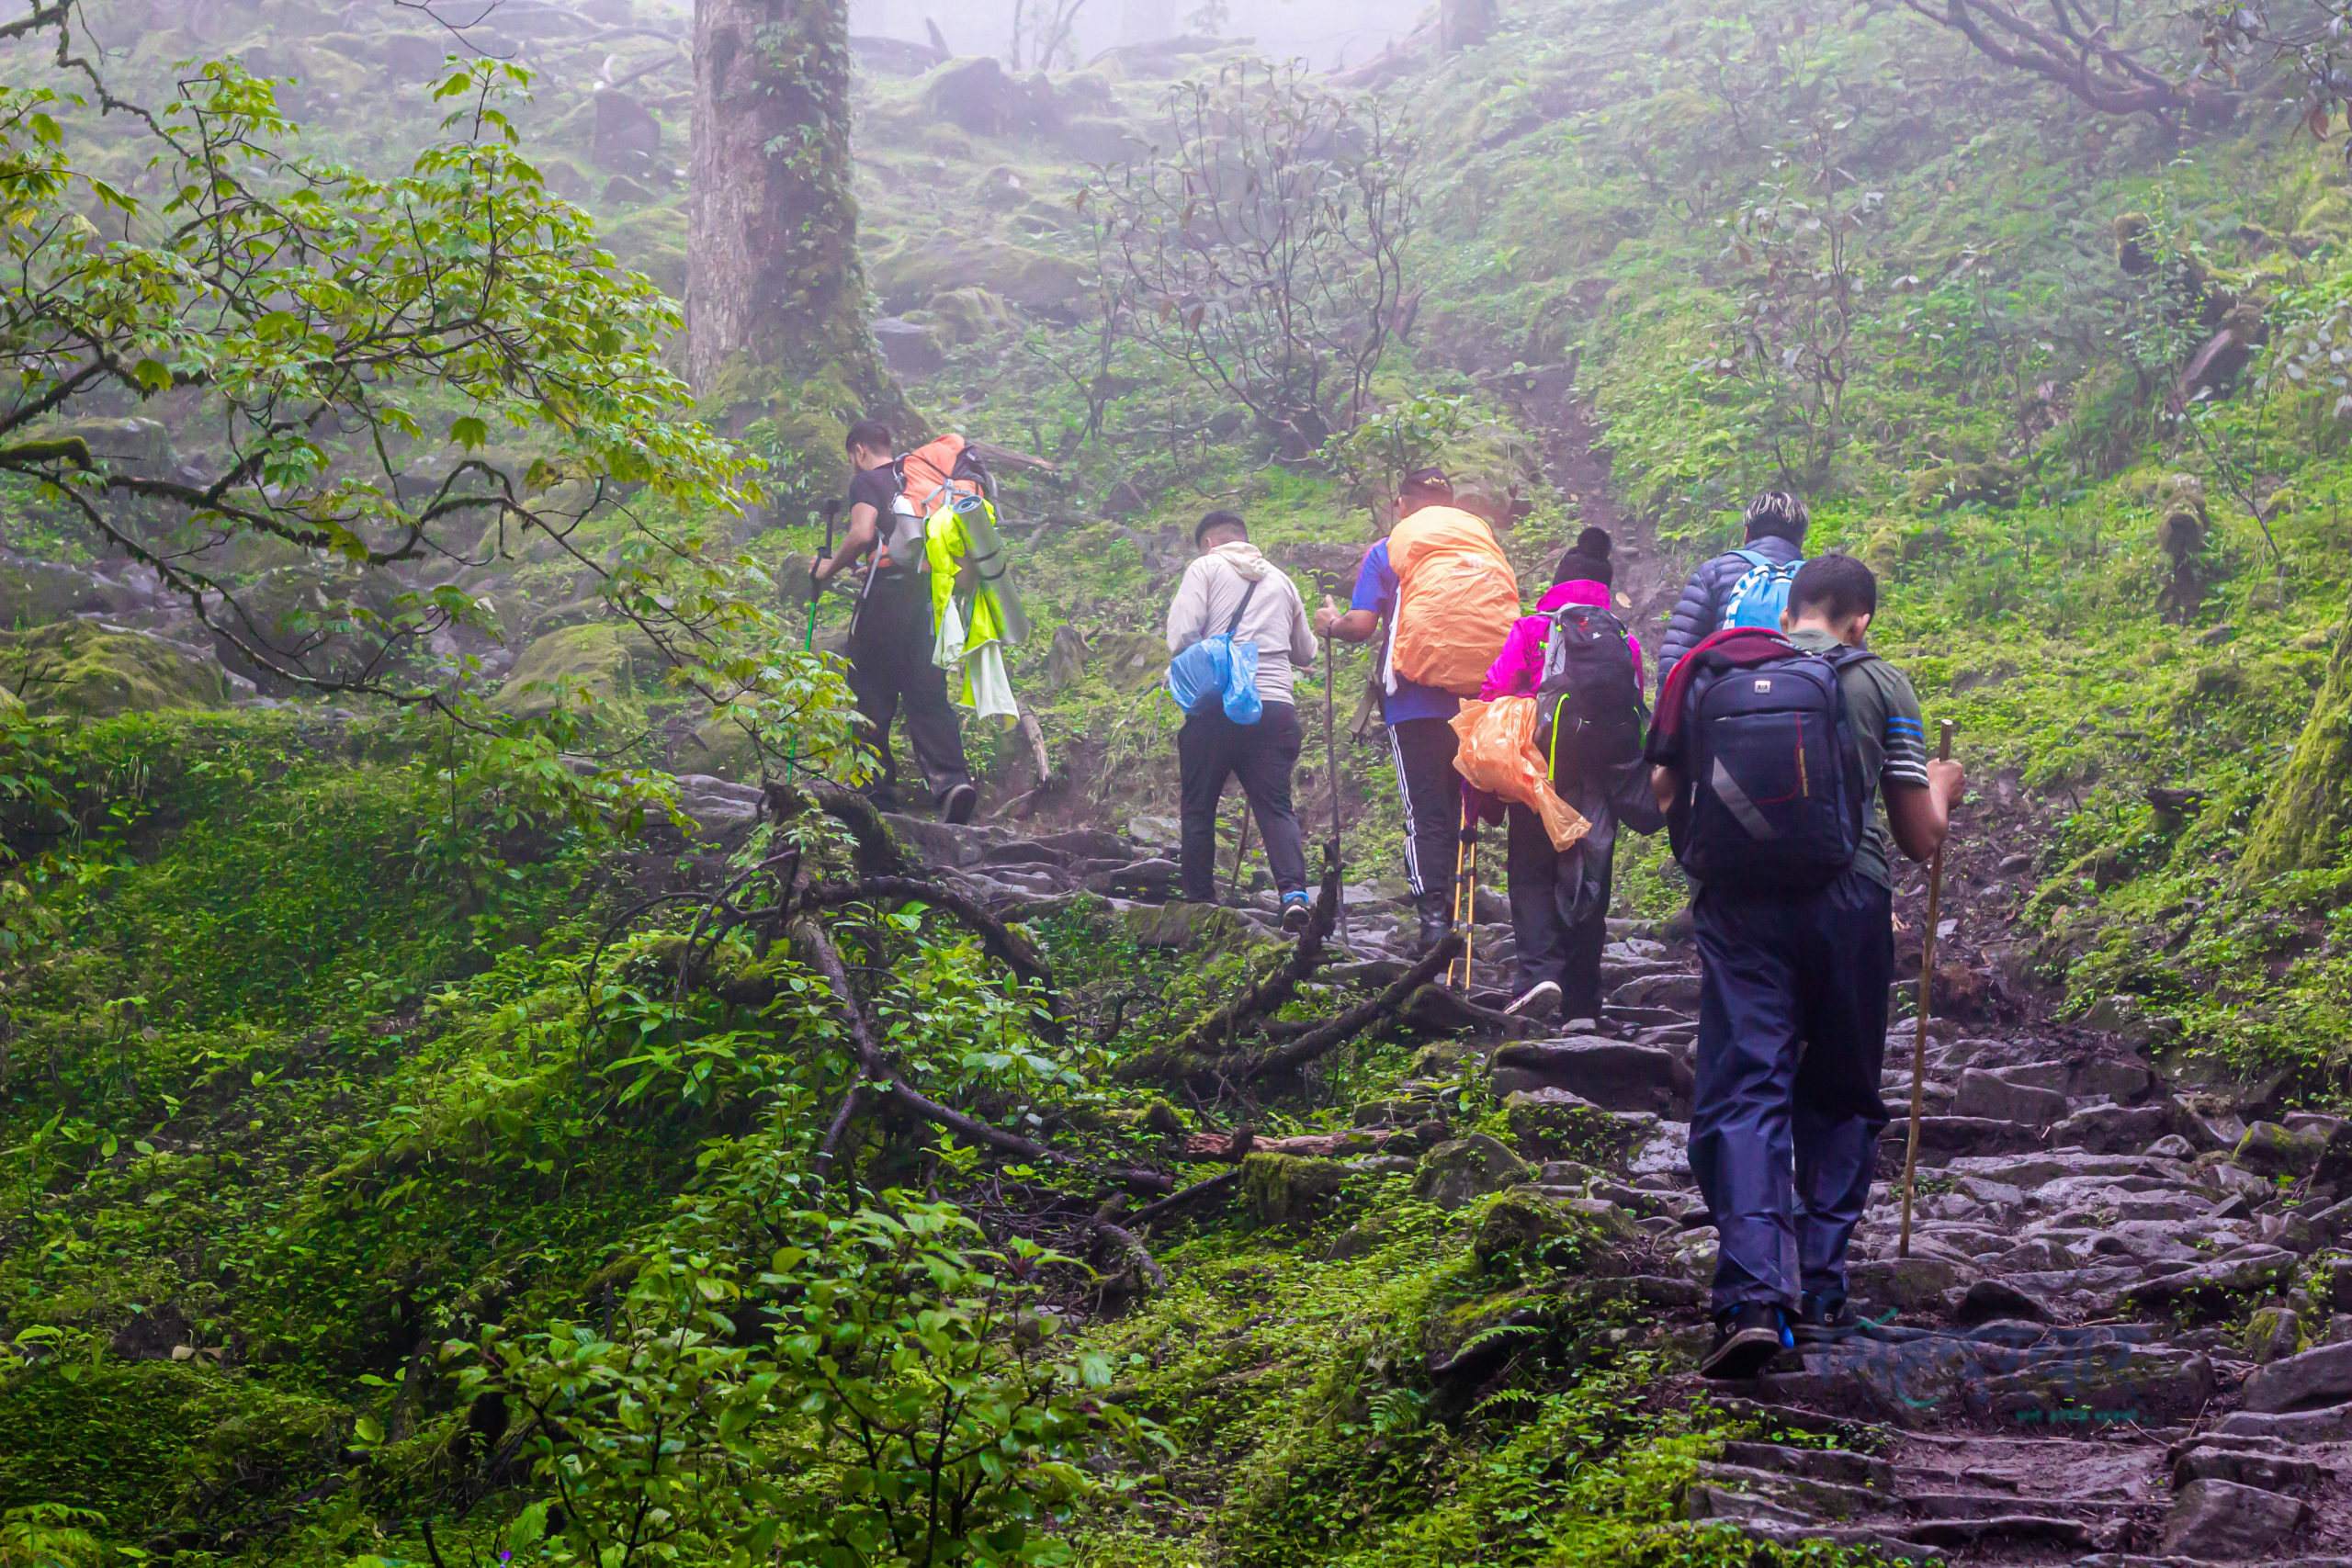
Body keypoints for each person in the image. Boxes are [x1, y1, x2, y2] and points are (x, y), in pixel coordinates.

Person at [1648, 553, 1962, 1379]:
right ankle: (1821, 1287)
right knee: (1840, 1091)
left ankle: (1754, 1297)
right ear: (1859, 620)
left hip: (1740, 908)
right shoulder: (1880, 683)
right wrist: (1945, 784)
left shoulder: (1718, 669)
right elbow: (1918, 836)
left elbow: (1662, 792)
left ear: (1788, 611)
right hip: (1849, 902)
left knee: (1748, 1086)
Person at [1478, 527, 1641, 1026]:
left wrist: (1483, 787)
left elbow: (1495, 695)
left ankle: (1538, 976)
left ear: (1557, 583)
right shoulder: (1624, 640)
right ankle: (1583, 1003)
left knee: (1531, 874)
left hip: (1539, 772)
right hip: (1601, 780)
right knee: (1591, 878)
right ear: (1604, 590)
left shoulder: (1532, 628)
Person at [1313, 467, 1475, 954]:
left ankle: (1433, 925)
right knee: (1453, 811)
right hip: (1473, 702)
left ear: (1402, 504)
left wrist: (1329, 624)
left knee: (1423, 813)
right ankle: (1453, 920)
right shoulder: (1474, 551)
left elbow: (1362, 626)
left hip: (1411, 701)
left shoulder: (1388, 550)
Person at [813, 419, 978, 824]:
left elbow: (860, 534)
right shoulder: (915, 479)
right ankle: (952, 783)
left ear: (859, 451)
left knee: (868, 689)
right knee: (927, 691)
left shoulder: (867, 480)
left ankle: (876, 794)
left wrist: (825, 570)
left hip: (884, 600)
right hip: (927, 597)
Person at [1165, 510, 1319, 933]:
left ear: (1210, 544)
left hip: (1217, 707)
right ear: (1245, 540)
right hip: (1273, 707)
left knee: (1199, 808)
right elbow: (1306, 652)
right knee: (1275, 805)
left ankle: (1201, 903)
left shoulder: (1206, 567)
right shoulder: (1282, 580)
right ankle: (1293, 895)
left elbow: (1181, 637)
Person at [1655, 490, 1811, 689]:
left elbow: (1676, 657)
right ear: (1802, 538)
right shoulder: (1818, 580)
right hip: (1802, 705)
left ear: (1747, 533)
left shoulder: (1713, 573)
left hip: (1727, 706)